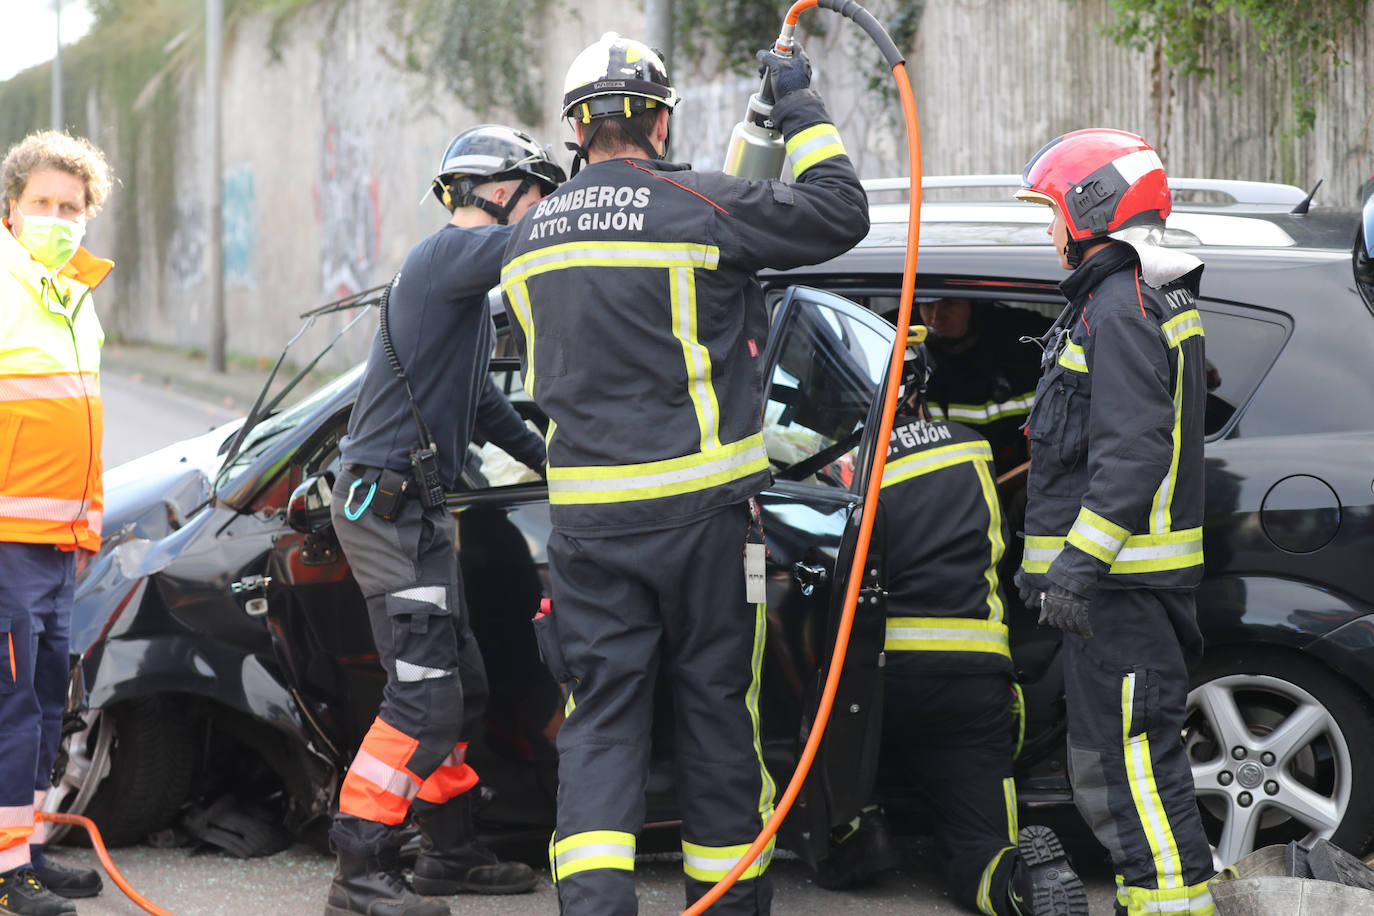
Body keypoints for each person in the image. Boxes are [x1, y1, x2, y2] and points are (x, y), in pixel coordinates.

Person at [500, 32, 868, 916]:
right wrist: (798, 104)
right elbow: (839, 211)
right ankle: (726, 904)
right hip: (706, 524)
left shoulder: (529, 239)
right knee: (715, 711)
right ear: (660, 123)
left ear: (576, 133)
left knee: (601, 720)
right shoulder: (702, 206)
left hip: (587, 532)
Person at [324, 124, 563, 916]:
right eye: (540, 195)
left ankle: (448, 853)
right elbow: (537, 247)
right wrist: (603, 206)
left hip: (415, 511)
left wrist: (549, 459)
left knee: (460, 690)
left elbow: (482, 400)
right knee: (422, 698)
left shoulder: (457, 292)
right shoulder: (448, 256)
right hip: (385, 511)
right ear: (502, 193)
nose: (546, 210)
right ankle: (358, 871)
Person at [1012, 128, 1215, 916]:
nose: (1050, 231)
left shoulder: (1121, 308)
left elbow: (1131, 457)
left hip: (1123, 596)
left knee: (1136, 766)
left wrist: (1076, 568)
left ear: (1090, 208)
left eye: (1053, 212)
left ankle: (1169, 906)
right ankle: (1147, 898)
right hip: (1115, 599)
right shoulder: (1126, 298)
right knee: (1113, 772)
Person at [817, 333, 1088, 916]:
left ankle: (856, 833)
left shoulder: (849, 470)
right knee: (982, 847)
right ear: (919, 389)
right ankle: (1018, 886)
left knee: (832, 776)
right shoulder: (974, 450)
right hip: (976, 684)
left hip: (878, 688)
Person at [0, 129, 113, 915]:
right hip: (4, 544)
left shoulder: (72, 295)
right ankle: (6, 876)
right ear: (10, 210)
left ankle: (28, 851)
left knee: (44, 708)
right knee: (8, 709)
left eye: (70, 206)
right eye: (41, 203)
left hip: (57, 545)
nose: (56, 216)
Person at [916, 296, 1050, 475]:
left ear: (973, 304)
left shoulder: (1022, 346)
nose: (936, 316)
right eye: (928, 305)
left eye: (948, 303)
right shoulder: (907, 359)